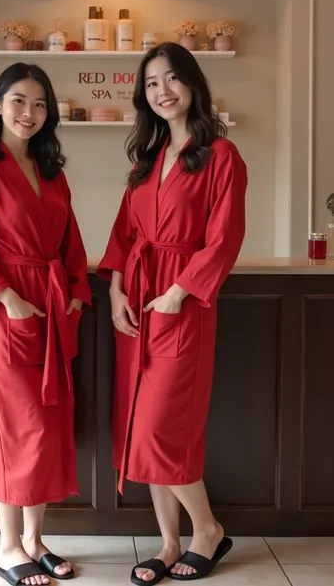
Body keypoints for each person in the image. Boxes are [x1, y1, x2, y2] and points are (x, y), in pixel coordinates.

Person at [96, 42, 247, 584]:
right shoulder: (146, 160)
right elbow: (123, 233)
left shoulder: (221, 156)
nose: (162, 91)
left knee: (162, 426)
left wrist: (181, 291)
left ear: (193, 84)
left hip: (182, 304)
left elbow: (224, 238)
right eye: (152, 83)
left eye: (172, 79)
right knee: (140, 424)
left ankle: (207, 530)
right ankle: (168, 543)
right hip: (137, 300)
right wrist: (115, 291)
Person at [0, 62, 91, 586]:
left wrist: (76, 292)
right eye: (18, 102)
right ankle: (8, 545)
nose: (29, 113)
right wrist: (7, 298)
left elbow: (71, 244)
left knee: (47, 429)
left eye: (39, 104)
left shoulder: (52, 173)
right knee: (15, 430)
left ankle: (34, 540)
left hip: (52, 310)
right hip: (7, 313)